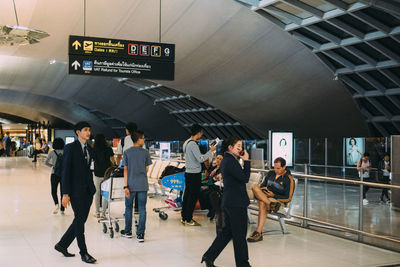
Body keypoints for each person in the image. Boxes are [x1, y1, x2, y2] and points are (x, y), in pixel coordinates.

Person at [202, 136, 251, 267]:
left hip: (230, 201)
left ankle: (209, 256)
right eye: (238, 146)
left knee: (227, 233)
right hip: (236, 203)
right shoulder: (230, 161)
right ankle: (243, 264)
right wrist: (246, 162)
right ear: (230, 147)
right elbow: (244, 178)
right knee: (240, 235)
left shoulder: (228, 160)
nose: (241, 148)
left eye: (241, 146)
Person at [54, 122, 97, 264]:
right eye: (85, 130)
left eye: (89, 130)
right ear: (78, 132)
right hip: (76, 191)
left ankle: (62, 245)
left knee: (79, 221)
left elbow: (89, 169)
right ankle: (83, 253)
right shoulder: (70, 148)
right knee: (80, 222)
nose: (88, 132)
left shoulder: (89, 149)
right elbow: (65, 172)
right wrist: (65, 194)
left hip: (88, 191)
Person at [247, 157, 295, 242]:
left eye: (278, 168)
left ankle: (258, 232)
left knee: (262, 203)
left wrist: (274, 195)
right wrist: (264, 189)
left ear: (284, 167)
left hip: (277, 200)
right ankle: (270, 203)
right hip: (266, 197)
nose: (275, 170)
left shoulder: (289, 179)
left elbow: (288, 198)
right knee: (254, 186)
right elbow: (262, 185)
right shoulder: (271, 173)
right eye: (274, 167)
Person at [120, 130, 152, 242]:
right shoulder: (145, 152)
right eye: (143, 138)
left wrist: (125, 186)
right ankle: (140, 234)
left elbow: (125, 170)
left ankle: (128, 231)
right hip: (143, 184)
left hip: (130, 185)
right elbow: (147, 168)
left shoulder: (127, 152)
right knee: (142, 209)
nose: (144, 140)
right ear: (138, 139)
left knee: (128, 208)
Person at [181, 124, 216, 226]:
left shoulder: (186, 142)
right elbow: (200, 159)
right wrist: (211, 151)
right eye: (201, 132)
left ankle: (184, 217)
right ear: (199, 132)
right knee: (193, 196)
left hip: (188, 173)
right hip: (194, 174)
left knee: (187, 195)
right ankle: (188, 219)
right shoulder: (193, 144)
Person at [93, 134, 116, 218]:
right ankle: (103, 213)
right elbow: (112, 161)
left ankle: (97, 212)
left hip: (97, 173)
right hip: (107, 174)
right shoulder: (108, 149)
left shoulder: (93, 149)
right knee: (105, 193)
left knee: (97, 193)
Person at [45, 138, 65, 215]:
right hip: (63, 174)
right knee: (63, 192)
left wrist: (52, 166)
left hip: (54, 173)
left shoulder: (52, 153)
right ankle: (62, 209)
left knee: (54, 191)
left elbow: (46, 162)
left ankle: (56, 205)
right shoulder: (65, 152)